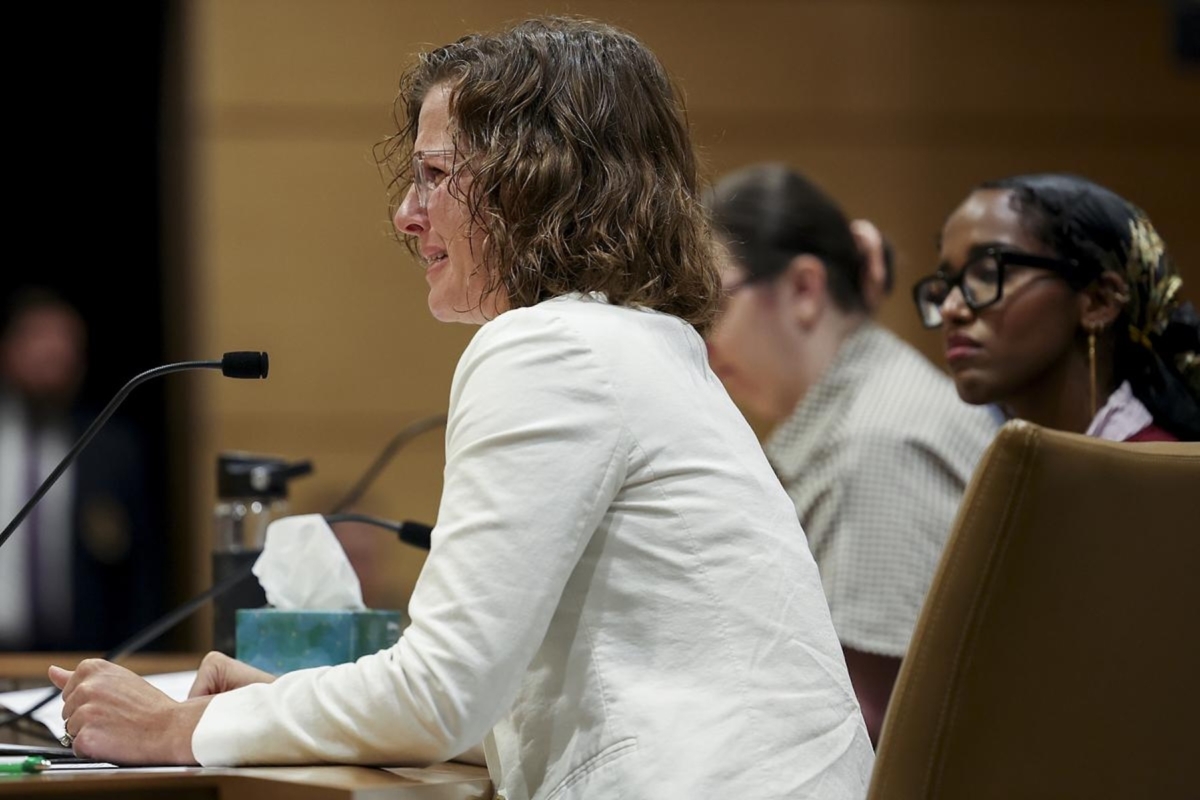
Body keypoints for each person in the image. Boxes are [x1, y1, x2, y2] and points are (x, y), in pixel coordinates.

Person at [48, 18, 875, 798]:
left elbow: (441, 694)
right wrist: (279, 708)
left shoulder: (550, 349)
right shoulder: (642, 343)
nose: (404, 216)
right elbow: (499, 697)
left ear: (536, 184)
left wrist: (179, 727)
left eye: (435, 175)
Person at [704, 163, 999, 744]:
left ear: (805, 289)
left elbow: (870, 725)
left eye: (712, 305)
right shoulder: (868, 403)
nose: (702, 341)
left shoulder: (872, 444)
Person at [916, 172, 1200, 441]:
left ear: (1099, 302)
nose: (950, 309)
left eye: (989, 274)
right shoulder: (1018, 467)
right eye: (945, 286)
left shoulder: (1153, 476)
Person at [0, 287, 161, 651]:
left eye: (66, 344)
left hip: (81, 653)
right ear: (8, 351)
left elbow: (141, 576)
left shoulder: (110, 447)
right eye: (38, 338)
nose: (54, 353)